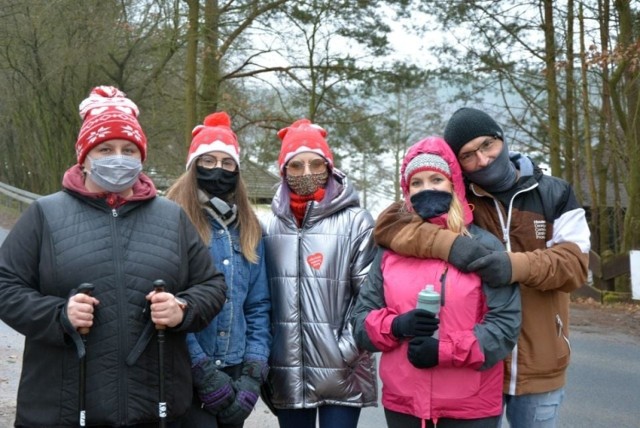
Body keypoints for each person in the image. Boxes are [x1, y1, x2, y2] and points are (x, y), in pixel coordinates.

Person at [0, 86, 227, 427]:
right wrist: (58, 314)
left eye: (128, 150)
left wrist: (182, 309)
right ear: (85, 157)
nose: (117, 157)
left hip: (156, 408)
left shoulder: (172, 217)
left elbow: (212, 284)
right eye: (105, 148)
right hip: (61, 409)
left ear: (141, 157)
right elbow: (6, 286)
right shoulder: (44, 214)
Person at [374, 108, 591, 428]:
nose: (483, 160)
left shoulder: (555, 193)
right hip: (471, 368)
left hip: (539, 362)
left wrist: (513, 266)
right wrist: (454, 246)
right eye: (468, 155)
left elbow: (574, 266)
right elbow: (390, 225)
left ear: (502, 139)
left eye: (487, 145)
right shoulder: (457, 195)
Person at [352, 136, 521, 428]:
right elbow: (361, 322)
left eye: (436, 179)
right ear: (406, 191)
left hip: (470, 408)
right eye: (416, 183)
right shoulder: (390, 249)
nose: (426, 188)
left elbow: (504, 328)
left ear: (453, 184)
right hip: (404, 404)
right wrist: (396, 325)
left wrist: (443, 351)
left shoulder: (484, 246)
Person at [261, 118, 378, 428]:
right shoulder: (269, 226)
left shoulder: (356, 222)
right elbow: (261, 298)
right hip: (287, 370)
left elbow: (370, 295)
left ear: (329, 166)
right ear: (284, 171)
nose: (306, 173)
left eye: (315, 163)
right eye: (296, 166)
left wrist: (346, 351)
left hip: (342, 368)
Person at [165, 111, 271, 427]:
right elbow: (166, 301)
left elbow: (258, 306)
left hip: (236, 370)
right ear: (193, 166)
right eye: (208, 161)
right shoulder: (171, 220)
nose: (218, 170)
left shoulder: (251, 227)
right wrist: (201, 370)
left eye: (227, 163)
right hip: (186, 370)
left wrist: (254, 372)